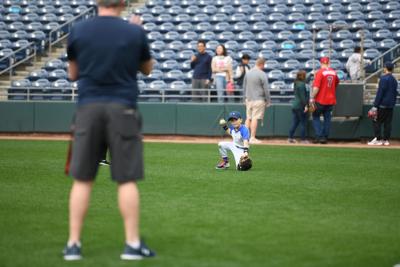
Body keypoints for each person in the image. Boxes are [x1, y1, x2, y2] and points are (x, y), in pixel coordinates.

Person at [63, 0, 155, 261]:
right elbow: (148, 69)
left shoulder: (78, 30)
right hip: (122, 108)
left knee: (82, 180)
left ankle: (73, 245)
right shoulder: (134, 31)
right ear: (123, 3)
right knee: (126, 179)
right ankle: (132, 245)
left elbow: (72, 74)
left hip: (88, 108)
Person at [309, 57, 340, 144]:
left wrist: (312, 97)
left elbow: (316, 88)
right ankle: (324, 138)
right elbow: (337, 82)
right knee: (327, 119)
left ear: (321, 63)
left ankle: (318, 136)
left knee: (315, 117)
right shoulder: (334, 72)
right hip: (331, 100)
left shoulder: (320, 72)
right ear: (328, 63)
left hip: (320, 99)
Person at [367, 62, 398, 146]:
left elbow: (380, 92)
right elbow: (396, 93)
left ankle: (378, 139)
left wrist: (375, 105)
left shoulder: (384, 78)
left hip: (382, 104)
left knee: (376, 120)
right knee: (388, 123)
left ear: (385, 68)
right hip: (390, 105)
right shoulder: (394, 80)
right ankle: (386, 140)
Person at [243, 57, 271, 144]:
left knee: (248, 118)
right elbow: (266, 89)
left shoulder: (248, 73)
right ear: (262, 64)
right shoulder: (262, 74)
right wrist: (268, 100)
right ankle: (252, 138)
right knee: (255, 118)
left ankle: (244, 138)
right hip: (258, 99)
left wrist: (244, 98)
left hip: (249, 99)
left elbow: (244, 87)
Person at [288, 70, 309, 143]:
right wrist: (306, 106)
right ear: (303, 76)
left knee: (295, 123)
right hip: (300, 106)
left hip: (295, 106)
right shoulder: (302, 85)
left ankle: (290, 138)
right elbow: (303, 97)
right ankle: (303, 140)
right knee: (303, 123)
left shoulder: (296, 83)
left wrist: (311, 75)